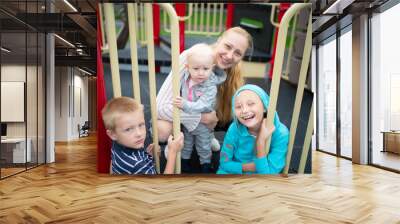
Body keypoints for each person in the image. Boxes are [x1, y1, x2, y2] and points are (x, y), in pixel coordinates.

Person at [156, 27, 253, 167]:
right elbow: (159, 107)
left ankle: (207, 135)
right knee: (162, 131)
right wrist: (201, 118)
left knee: (234, 109)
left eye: (237, 53)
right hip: (178, 109)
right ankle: (177, 140)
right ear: (219, 41)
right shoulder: (192, 57)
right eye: (227, 46)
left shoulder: (230, 71)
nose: (230, 55)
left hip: (203, 111)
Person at [217, 84, 289, 174]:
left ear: (265, 107)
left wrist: (260, 142)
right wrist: (250, 167)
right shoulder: (234, 128)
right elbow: (224, 164)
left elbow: (268, 174)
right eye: (238, 107)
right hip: (234, 171)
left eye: (250, 104)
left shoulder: (281, 133)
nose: (244, 110)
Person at [170, 43, 220, 173]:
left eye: (206, 69)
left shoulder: (210, 87)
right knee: (186, 143)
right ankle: (184, 161)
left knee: (203, 145)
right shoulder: (185, 78)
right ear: (187, 68)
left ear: (212, 68)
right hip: (187, 121)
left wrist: (185, 104)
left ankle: (206, 164)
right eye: (196, 68)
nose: (201, 73)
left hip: (202, 123)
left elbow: (204, 104)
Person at [102, 96, 184, 175]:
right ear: (113, 134)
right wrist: (172, 153)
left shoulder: (116, 144)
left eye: (141, 125)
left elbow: (113, 164)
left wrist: (147, 155)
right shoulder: (138, 165)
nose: (139, 134)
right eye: (128, 129)